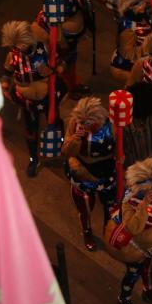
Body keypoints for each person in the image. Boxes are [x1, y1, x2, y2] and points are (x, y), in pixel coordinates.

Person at [104, 158, 152, 304]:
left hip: (150, 242)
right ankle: (124, 299)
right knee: (134, 272)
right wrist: (145, 204)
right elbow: (133, 227)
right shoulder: (129, 200)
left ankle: (148, 292)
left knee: (148, 267)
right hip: (134, 245)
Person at [0, 21, 66, 177]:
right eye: (15, 46)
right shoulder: (12, 55)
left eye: (20, 45)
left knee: (55, 122)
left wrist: (54, 69)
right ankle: (34, 158)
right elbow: (6, 72)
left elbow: (62, 62)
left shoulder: (44, 49)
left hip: (47, 97)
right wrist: (4, 84)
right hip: (27, 101)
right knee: (31, 130)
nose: (18, 49)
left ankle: (62, 148)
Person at [31, 0, 91, 99]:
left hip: (70, 33)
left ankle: (72, 84)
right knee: (66, 62)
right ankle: (71, 87)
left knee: (70, 61)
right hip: (60, 36)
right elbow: (54, 21)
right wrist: (61, 40)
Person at [61, 97, 116, 251]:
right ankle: (87, 231)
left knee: (111, 207)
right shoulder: (73, 123)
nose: (86, 126)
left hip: (107, 173)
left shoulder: (110, 125)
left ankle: (109, 231)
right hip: (83, 174)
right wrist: (75, 139)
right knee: (84, 207)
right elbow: (65, 151)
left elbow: (122, 144)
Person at [110, 0, 152, 84]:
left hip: (142, 60)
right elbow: (128, 54)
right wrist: (151, 48)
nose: (144, 5)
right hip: (127, 68)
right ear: (131, 7)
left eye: (143, 2)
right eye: (140, 4)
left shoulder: (142, 16)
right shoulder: (128, 29)